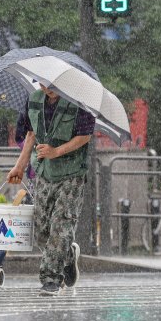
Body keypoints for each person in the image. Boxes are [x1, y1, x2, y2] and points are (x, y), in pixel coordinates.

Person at [7, 84, 95, 296]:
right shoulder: (34, 100)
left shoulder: (80, 102)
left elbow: (85, 136)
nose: (49, 88)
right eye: (44, 83)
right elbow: (30, 134)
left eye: (54, 84)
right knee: (41, 228)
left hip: (71, 174)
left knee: (61, 223)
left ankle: (51, 279)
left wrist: (57, 151)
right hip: (44, 172)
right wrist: (20, 165)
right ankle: (67, 256)